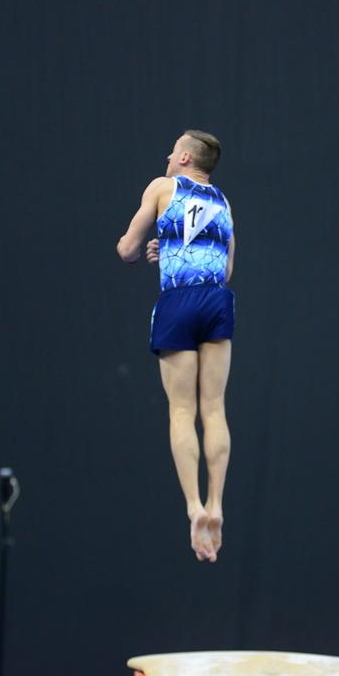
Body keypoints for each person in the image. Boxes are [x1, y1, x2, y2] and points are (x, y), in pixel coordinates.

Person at [116, 130, 236, 563]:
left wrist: (136, 253)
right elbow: (225, 267)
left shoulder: (162, 187)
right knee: (215, 409)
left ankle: (194, 507)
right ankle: (218, 502)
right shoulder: (224, 203)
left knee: (182, 411)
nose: (167, 155)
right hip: (215, 301)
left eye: (172, 150)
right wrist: (166, 250)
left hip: (178, 301)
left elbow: (127, 247)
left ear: (184, 158)